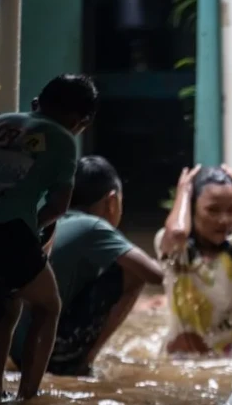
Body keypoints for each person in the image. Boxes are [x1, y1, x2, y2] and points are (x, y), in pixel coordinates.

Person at [0, 73, 98, 400]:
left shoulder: (3, 122)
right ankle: (27, 399)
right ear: (80, 121)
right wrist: (31, 225)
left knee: (4, 310)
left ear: (38, 103)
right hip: (9, 234)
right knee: (48, 307)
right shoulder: (63, 138)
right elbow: (59, 206)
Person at [9, 156, 163, 376]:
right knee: (133, 273)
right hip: (47, 353)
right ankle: (82, 364)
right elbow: (154, 275)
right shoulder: (92, 226)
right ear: (112, 201)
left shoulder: (53, 221)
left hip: (17, 351)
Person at [156, 164, 232, 354]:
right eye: (213, 210)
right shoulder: (176, 251)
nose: (224, 219)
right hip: (180, 360)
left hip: (226, 359)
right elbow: (177, 232)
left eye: (231, 210)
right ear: (192, 210)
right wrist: (184, 192)